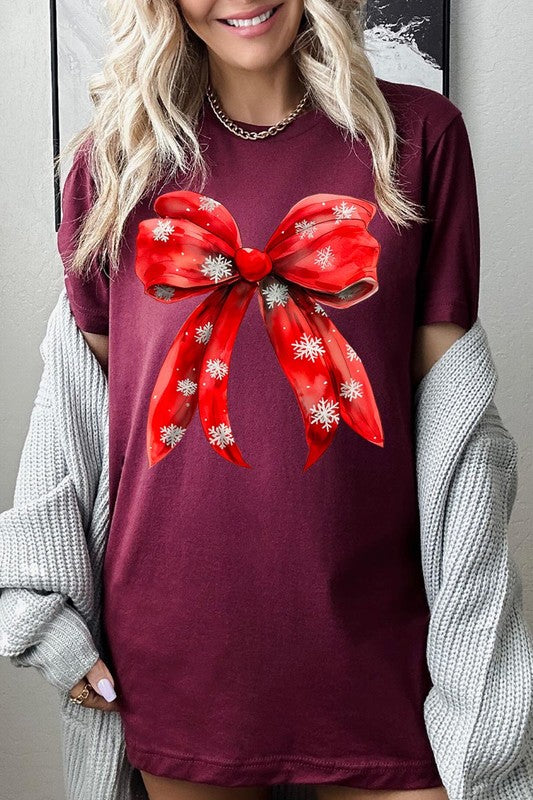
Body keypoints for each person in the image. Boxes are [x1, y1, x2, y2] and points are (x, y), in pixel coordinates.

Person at [56, 1, 481, 798]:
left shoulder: (421, 138)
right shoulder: (114, 162)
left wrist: (474, 638)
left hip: (377, 640)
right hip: (177, 644)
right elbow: (81, 424)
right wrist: (51, 608)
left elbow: (458, 440)